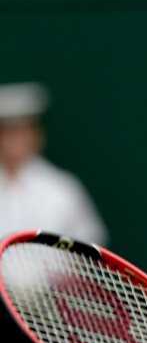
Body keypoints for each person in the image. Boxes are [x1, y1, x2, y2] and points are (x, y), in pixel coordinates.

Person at [0, 82, 107, 244]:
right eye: (8, 133)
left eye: (23, 132)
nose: (15, 141)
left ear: (37, 135)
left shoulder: (62, 188)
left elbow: (91, 245)